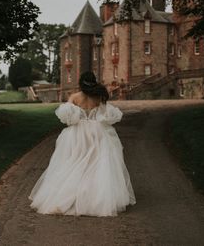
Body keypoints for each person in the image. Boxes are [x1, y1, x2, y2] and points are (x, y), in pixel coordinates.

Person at [29, 71, 136, 217]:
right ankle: (95, 198)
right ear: (94, 81)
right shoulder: (98, 97)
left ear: (81, 82)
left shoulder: (74, 97)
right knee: (96, 163)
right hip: (97, 132)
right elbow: (108, 116)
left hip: (78, 132)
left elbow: (68, 118)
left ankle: (71, 196)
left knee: (74, 161)